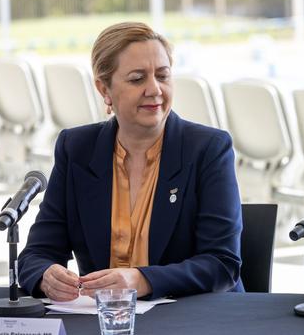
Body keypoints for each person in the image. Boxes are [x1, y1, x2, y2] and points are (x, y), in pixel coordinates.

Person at [18, 22, 243, 300]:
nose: (154, 89)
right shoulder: (76, 149)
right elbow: (37, 253)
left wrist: (142, 280)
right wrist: (46, 276)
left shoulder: (208, 148)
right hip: (104, 320)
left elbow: (221, 264)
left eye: (162, 76)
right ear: (105, 89)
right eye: (137, 79)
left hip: (194, 317)